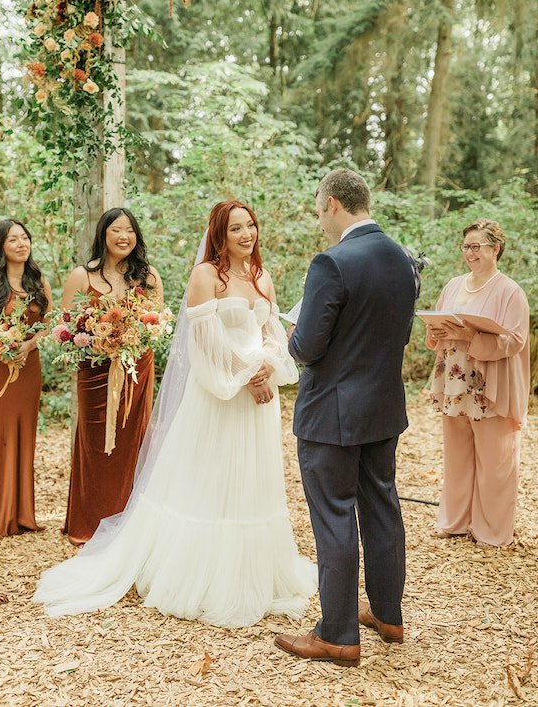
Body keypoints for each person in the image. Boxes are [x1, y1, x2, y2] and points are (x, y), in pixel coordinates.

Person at [34, 200, 316, 625]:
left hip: (257, 399)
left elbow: (271, 332)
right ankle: (198, 572)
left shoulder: (262, 276)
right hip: (221, 394)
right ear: (219, 234)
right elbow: (205, 339)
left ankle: (250, 571)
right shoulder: (206, 276)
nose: (246, 234)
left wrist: (267, 365)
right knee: (210, 478)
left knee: (249, 482)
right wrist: (246, 375)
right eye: (236, 228)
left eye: (251, 226)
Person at [275, 169, 418, 667]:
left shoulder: (331, 263)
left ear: (333, 204)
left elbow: (308, 347)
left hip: (332, 413)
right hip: (383, 406)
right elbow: (396, 336)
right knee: (381, 505)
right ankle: (387, 614)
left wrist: (291, 335)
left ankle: (336, 635)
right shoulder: (403, 260)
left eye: (318, 210)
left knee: (334, 514)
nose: (319, 219)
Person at [61, 208, 163, 545]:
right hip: (93, 372)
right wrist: (95, 341)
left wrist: (133, 338)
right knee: (94, 443)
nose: (124, 236)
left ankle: (128, 521)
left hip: (136, 369)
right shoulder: (82, 275)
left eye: (130, 230)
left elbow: (157, 323)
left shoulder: (147, 276)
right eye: (116, 230)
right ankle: (89, 522)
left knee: (133, 441)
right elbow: (63, 326)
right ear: (103, 234)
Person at [426, 219, 530, 548]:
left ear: (495, 249)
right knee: (456, 455)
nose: (469, 253)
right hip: (455, 382)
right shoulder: (454, 285)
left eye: (476, 246)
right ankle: (454, 521)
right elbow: (437, 330)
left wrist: (472, 335)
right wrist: (437, 330)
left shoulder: (510, 291)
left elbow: (515, 340)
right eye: (466, 247)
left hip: (489, 383)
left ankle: (492, 531)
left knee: (495, 461)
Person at [0, 219, 52, 536]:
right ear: (0, 246)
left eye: (24, 237)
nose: (21, 243)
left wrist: (31, 343)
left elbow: (47, 325)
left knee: (24, 434)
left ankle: (22, 513)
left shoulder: (38, 281)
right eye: (13, 239)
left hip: (29, 369)